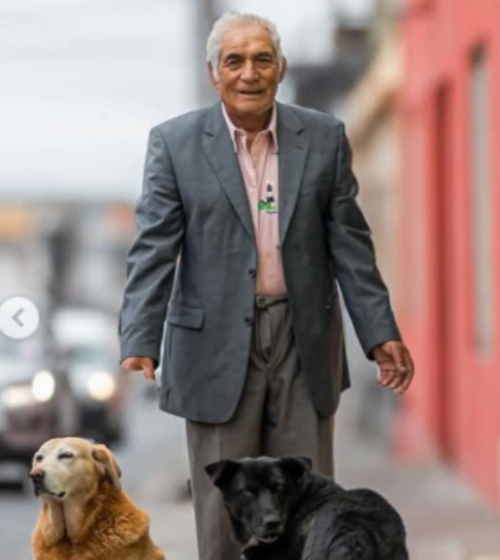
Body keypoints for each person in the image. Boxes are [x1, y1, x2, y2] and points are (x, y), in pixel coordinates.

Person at [118, 11, 414, 560]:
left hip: (304, 339)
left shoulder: (323, 137)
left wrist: (379, 333)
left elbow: (350, 243)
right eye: (234, 61)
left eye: (262, 59)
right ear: (215, 73)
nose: (248, 73)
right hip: (213, 346)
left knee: (310, 503)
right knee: (225, 506)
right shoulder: (175, 144)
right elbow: (154, 244)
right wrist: (140, 336)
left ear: (280, 68)